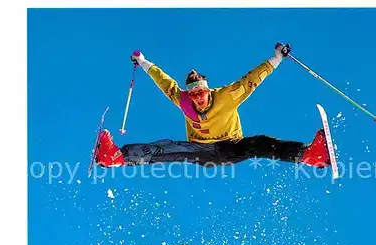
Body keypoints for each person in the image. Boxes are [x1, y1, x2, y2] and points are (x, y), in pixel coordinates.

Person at [94, 43, 331, 169]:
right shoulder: (184, 101)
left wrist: (277, 58)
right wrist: (143, 62)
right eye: (193, 94)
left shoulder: (226, 97)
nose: (198, 98)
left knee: (260, 142)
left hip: (231, 146)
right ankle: (115, 157)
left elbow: (251, 80)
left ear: (208, 91)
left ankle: (310, 155)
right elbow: (165, 82)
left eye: (201, 93)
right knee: (165, 147)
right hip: (202, 150)